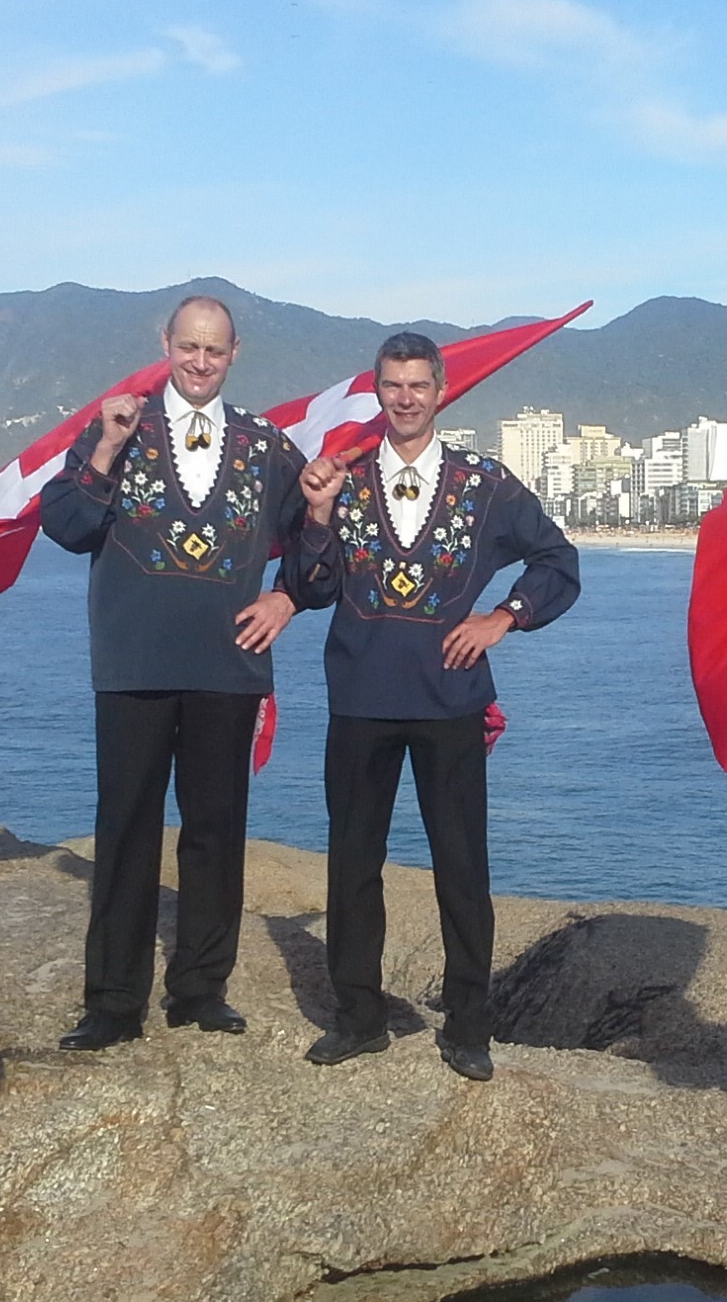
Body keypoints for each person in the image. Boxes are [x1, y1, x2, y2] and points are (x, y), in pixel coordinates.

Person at [286, 331, 580, 1080]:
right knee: (353, 864)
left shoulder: (486, 484)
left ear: (442, 391)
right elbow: (314, 588)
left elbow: (558, 561)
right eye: (393, 386)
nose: (407, 398)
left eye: (419, 385)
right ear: (378, 392)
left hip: (451, 699)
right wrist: (315, 517)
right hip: (359, 697)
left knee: (461, 867)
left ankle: (469, 1028)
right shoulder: (341, 481)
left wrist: (502, 617)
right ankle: (359, 1020)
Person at [38, 294, 309, 1049]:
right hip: (132, 665)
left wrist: (288, 597)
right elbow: (65, 524)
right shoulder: (118, 426)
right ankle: (113, 1003)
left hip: (229, 667)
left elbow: (322, 537)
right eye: (187, 347)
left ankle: (199, 990)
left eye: (213, 350)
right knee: (126, 832)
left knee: (215, 834)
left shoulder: (265, 445)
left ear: (234, 354)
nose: (198, 361)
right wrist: (103, 450)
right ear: (166, 343)